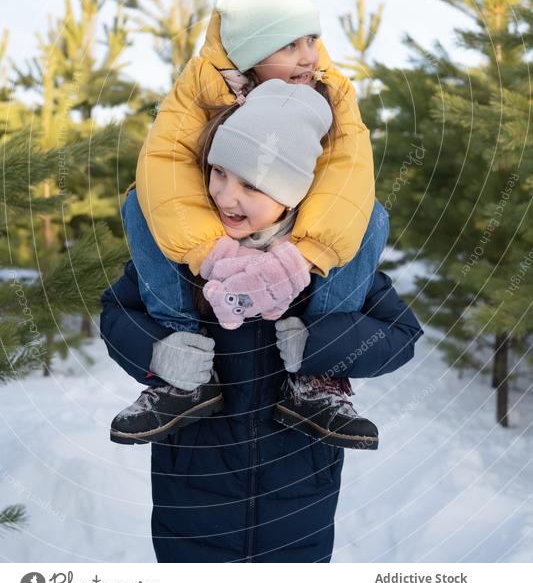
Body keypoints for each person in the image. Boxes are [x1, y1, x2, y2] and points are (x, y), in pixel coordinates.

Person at [113, 0, 385, 444]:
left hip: (288, 230)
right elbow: (165, 167)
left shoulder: (330, 90)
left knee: (372, 214)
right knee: (140, 203)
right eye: (288, 44)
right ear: (249, 51)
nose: (308, 57)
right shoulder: (204, 87)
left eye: (311, 40)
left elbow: (347, 174)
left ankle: (317, 372)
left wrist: (305, 255)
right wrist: (207, 251)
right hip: (217, 230)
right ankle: (182, 367)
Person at [100, 189, 423, 562]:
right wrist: (156, 352)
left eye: (256, 184)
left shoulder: (330, 259)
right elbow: (117, 313)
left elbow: (400, 334)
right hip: (192, 493)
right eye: (223, 174)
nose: (233, 195)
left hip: (300, 495)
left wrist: (319, 346)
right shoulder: (184, 250)